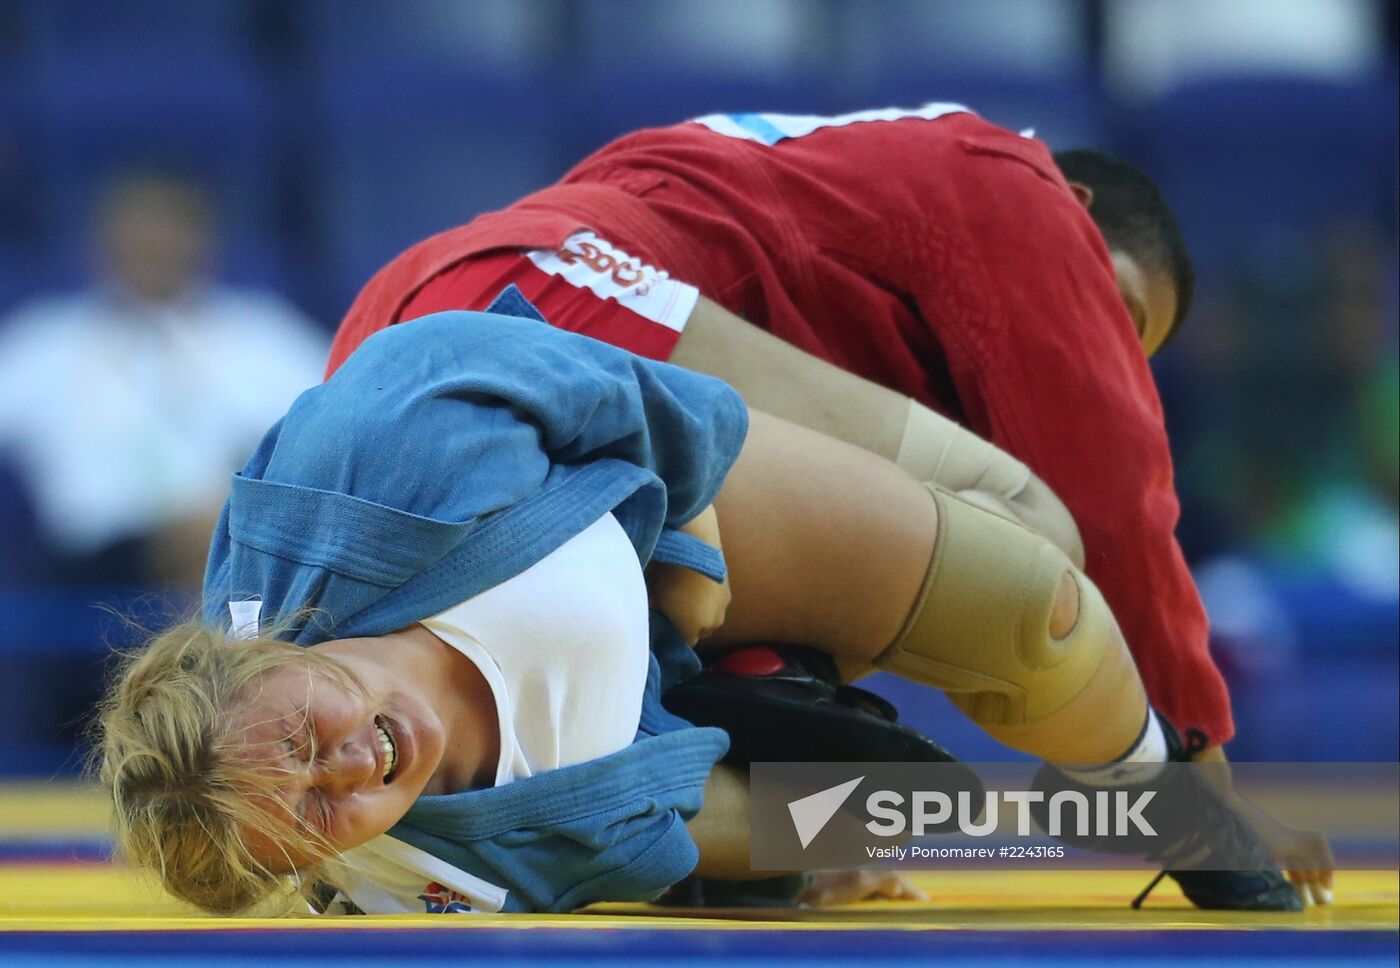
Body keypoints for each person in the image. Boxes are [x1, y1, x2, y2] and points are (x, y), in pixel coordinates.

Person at [321, 102, 1331, 907]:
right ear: (1074, 206)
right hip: (535, 314)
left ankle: (747, 738)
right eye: (1118, 319)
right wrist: (1201, 786)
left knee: (850, 770)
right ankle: (767, 683)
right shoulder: (1012, 187)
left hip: (418, 361)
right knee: (1027, 532)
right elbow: (1116, 498)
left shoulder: (826, 195)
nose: (1106, 354)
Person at [97, 290, 1278, 917]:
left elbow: (622, 389)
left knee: (1038, 606)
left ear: (265, 654)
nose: (348, 767)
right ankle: (1116, 814)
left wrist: (692, 577)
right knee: (892, 813)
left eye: (304, 738)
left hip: (643, 495)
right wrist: (794, 840)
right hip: (636, 730)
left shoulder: (379, 449)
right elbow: (648, 847)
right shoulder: (404, 876)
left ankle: (1151, 778)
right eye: (311, 812)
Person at [0, 170, 328, 590]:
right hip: (94, 553)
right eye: (138, 232)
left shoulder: (261, 332)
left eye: (170, 230)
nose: (153, 246)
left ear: (204, 243)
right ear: (100, 245)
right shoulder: (42, 341)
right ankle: (230, 648)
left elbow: (337, 426)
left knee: (239, 531)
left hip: (233, 529)